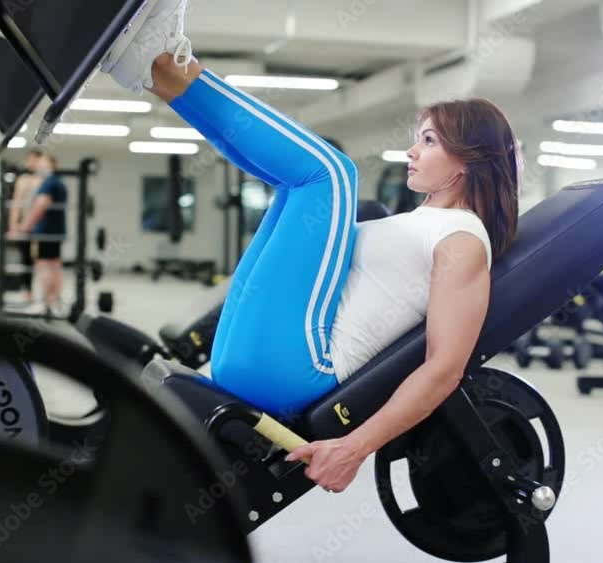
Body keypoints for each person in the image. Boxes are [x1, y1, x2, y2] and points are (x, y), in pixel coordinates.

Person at [102, 0, 520, 493]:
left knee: (333, 173)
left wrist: (354, 447)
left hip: (294, 368)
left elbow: (444, 369)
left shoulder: (464, 240)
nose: (412, 150)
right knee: (294, 183)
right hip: (254, 355)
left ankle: (165, 62)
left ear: (468, 161)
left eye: (428, 140)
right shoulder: (424, 222)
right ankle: (157, 71)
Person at [15, 150, 68, 315]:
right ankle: (53, 302)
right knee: (54, 266)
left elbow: (40, 205)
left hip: (44, 232)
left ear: (50, 165)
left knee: (44, 266)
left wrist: (25, 225)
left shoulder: (48, 183)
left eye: (42, 163)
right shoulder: (59, 182)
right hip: (55, 232)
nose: (38, 166)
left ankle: (45, 303)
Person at [8, 148, 44, 304]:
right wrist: (13, 225)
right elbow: (16, 204)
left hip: (41, 225)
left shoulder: (43, 179)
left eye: (34, 160)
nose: (31, 163)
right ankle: (28, 291)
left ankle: (43, 291)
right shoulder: (22, 180)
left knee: (43, 260)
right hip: (25, 227)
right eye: (29, 160)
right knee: (26, 259)